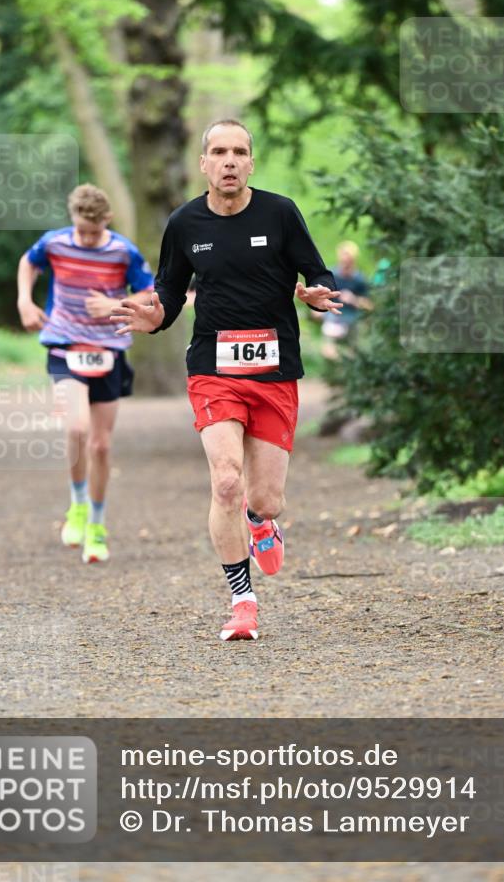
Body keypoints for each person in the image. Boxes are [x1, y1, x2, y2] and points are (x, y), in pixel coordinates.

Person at [111, 119, 341, 641]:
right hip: (213, 369)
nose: (229, 160)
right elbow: (170, 291)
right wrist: (155, 316)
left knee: (266, 498)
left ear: (251, 163)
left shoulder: (280, 213)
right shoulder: (184, 223)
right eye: (219, 152)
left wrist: (316, 292)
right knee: (226, 481)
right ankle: (243, 602)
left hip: (274, 370)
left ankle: (261, 522)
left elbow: (318, 272)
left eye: (239, 151)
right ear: (204, 164)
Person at [17, 183, 154, 563]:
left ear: (107, 219)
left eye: (95, 231)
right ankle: (77, 504)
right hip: (64, 345)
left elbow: (149, 290)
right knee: (76, 429)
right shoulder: (55, 243)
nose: (89, 238)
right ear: (72, 219)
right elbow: (28, 263)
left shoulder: (123, 250)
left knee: (101, 446)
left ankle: (96, 524)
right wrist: (24, 300)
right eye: (82, 230)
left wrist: (114, 304)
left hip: (108, 350)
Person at [319, 241, 372, 361]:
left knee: (352, 351)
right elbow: (321, 296)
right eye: (343, 259)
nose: (345, 262)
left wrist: (354, 299)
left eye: (348, 260)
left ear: (353, 260)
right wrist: (318, 308)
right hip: (333, 316)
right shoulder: (332, 275)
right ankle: (332, 359)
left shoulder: (359, 279)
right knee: (329, 348)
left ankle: (349, 360)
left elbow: (369, 305)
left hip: (351, 318)